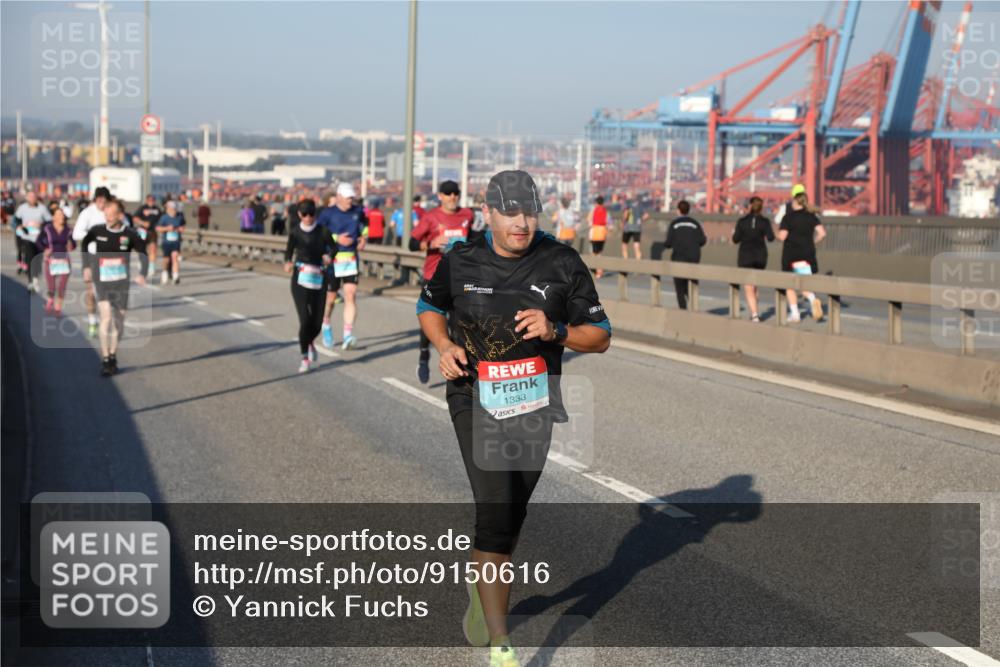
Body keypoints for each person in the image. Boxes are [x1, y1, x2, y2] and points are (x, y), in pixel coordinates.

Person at [417, 170, 611, 667]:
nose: (521, 223)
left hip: (533, 401)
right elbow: (428, 305)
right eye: (510, 212)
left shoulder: (561, 261)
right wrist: (442, 345)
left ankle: (483, 591)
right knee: (497, 509)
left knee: (513, 514)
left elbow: (601, 334)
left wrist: (557, 328)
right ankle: (503, 647)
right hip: (473, 395)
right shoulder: (460, 260)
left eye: (529, 211)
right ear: (489, 212)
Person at [410, 180, 474, 383]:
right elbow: (412, 243)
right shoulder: (430, 218)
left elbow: (473, 238)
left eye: (455, 193)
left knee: (459, 323)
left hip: (461, 278)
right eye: (448, 193)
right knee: (431, 321)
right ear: (440, 196)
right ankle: (423, 355)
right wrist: (430, 244)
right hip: (434, 277)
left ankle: (459, 365)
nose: (452, 197)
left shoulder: (467, 215)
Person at [79, 198, 148, 376]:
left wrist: (143, 273)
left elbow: (142, 251)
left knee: (119, 321)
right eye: (106, 215)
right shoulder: (97, 231)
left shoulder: (130, 234)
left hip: (121, 282)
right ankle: (105, 358)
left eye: (111, 215)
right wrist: (86, 266)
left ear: (120, 215)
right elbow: (85, 244)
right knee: (106, 317)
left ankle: (113, 355)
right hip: (101, 280)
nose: (108, 218)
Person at [283, 199, 332, 373]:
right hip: (300, 280)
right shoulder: (295, 232)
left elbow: (333, 248)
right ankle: (305, 356)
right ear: (299, 215)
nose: (308, 217)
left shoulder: (323, 231)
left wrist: (329, 255)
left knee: (317, 322)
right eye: (305, 214)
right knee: (305, 320)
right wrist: (288, 262)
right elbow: (289, 250)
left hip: (319, 279)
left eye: (311, 213)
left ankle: (309, 341)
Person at [317, 182, 367, 349]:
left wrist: (363, 239)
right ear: (338, 197)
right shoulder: (327, 214)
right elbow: (318, 233)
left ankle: (347, 335)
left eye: (352, 198)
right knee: (330, 300)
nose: (350, 201)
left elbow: (364, 226)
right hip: (333, 260)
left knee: (350, 295)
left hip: (351, 258)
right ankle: (326, 325)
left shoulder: (357, 211)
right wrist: (336, 238)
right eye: (347, 198)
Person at [778, 185, 826, 322]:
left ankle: (795, 313)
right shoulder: (811, 216)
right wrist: (812, 242)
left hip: (792, 255)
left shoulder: (788, 217)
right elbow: (822, 234)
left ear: (795, 202)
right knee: (805, 282)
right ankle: (812, 299)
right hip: (808, 255)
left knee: (790, 285)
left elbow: (782, 236)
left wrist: (776, 234)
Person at [72, 186, 112, 338]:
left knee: (107, 291)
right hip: (91, 255)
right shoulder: (87, 213)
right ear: (95, 199)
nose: (102, 204)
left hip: (109, 257)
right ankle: (92, 320)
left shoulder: (112, 212)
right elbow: (76, 234)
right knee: (91, 292)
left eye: (104, 201)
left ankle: (105, 319)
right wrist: (95, 236)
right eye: (99, 200)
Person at [732, 196, 775, 322]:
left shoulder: (742, 221)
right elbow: (771, 238)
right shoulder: (765, 221)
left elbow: (735, 239)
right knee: (754, 285)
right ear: (761, 208)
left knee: (748, 286)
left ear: (749, 206)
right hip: (761, 256)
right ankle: (754, 311)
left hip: (745, 256)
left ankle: (755, 315)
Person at [664, 200, 706, 310]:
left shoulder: (674, 224)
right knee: (692, 284)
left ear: (678, 210)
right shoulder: (695, 223)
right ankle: (694, 308)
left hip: (678, 257)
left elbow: (668, 243)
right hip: (693, 257)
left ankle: (683, 310)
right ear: (689, 210)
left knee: (679, 286)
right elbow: (702, 240)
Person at [36, 207, 76, 316]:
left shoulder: (68, 230)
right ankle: (50, 300)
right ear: (53, 217)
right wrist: (45, 250)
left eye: (62, 215)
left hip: (64, 260)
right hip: (51, 260)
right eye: (58, 215)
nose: (61, 217)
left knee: (62, 286)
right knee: (51, 286)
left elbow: (74, 243)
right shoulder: (47, 229)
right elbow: (38, 242)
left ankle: (58, 307)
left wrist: (71, 245)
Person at [13, 190, 52, 293]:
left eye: (34, 196)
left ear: (36, 198)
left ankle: (35, 280)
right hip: (27, 237)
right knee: (30, 259)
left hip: (39, 238)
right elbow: (16, 219)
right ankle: (31, 282)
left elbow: (49, 221)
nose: (32, 198)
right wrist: (20, 226)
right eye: (30, 197)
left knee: (38, 260)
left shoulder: (42, 208)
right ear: (27, 198)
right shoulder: (22, 208)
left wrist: (40, 225)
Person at [132, 194, 162, 278]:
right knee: (142, 249)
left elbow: (161, 219)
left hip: (152, 231)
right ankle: (142, 262)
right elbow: (135, 218)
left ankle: (151, 267)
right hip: (142, 231)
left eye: (153, 200)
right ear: (147, 200)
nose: (151, 202)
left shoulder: (157, 209)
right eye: (150, 200)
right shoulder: (142, 208)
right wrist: (143, 223)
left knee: (153, 248)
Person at [156, 200, 186, 285]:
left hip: (176, 241)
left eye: (174, 209)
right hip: (166, 242)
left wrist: (180, 229)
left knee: (175, 257)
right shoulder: (164, 218)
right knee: (166, 259)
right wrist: (167, 229)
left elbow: (183, 226)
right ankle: (165, 272)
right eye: (172, 209)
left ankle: (176, 276)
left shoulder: (179, 217)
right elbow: (158, 228)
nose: (174, 210)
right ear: (168, 209)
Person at [587, 195, 609, 278]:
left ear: (596, 202)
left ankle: (595, 270)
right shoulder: (605, 210)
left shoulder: (594, 209)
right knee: (599, 252)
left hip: (595, 232)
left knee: (593, 252)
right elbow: (608, 221)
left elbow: (589, 219)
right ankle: (600, 271)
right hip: (603, 232)